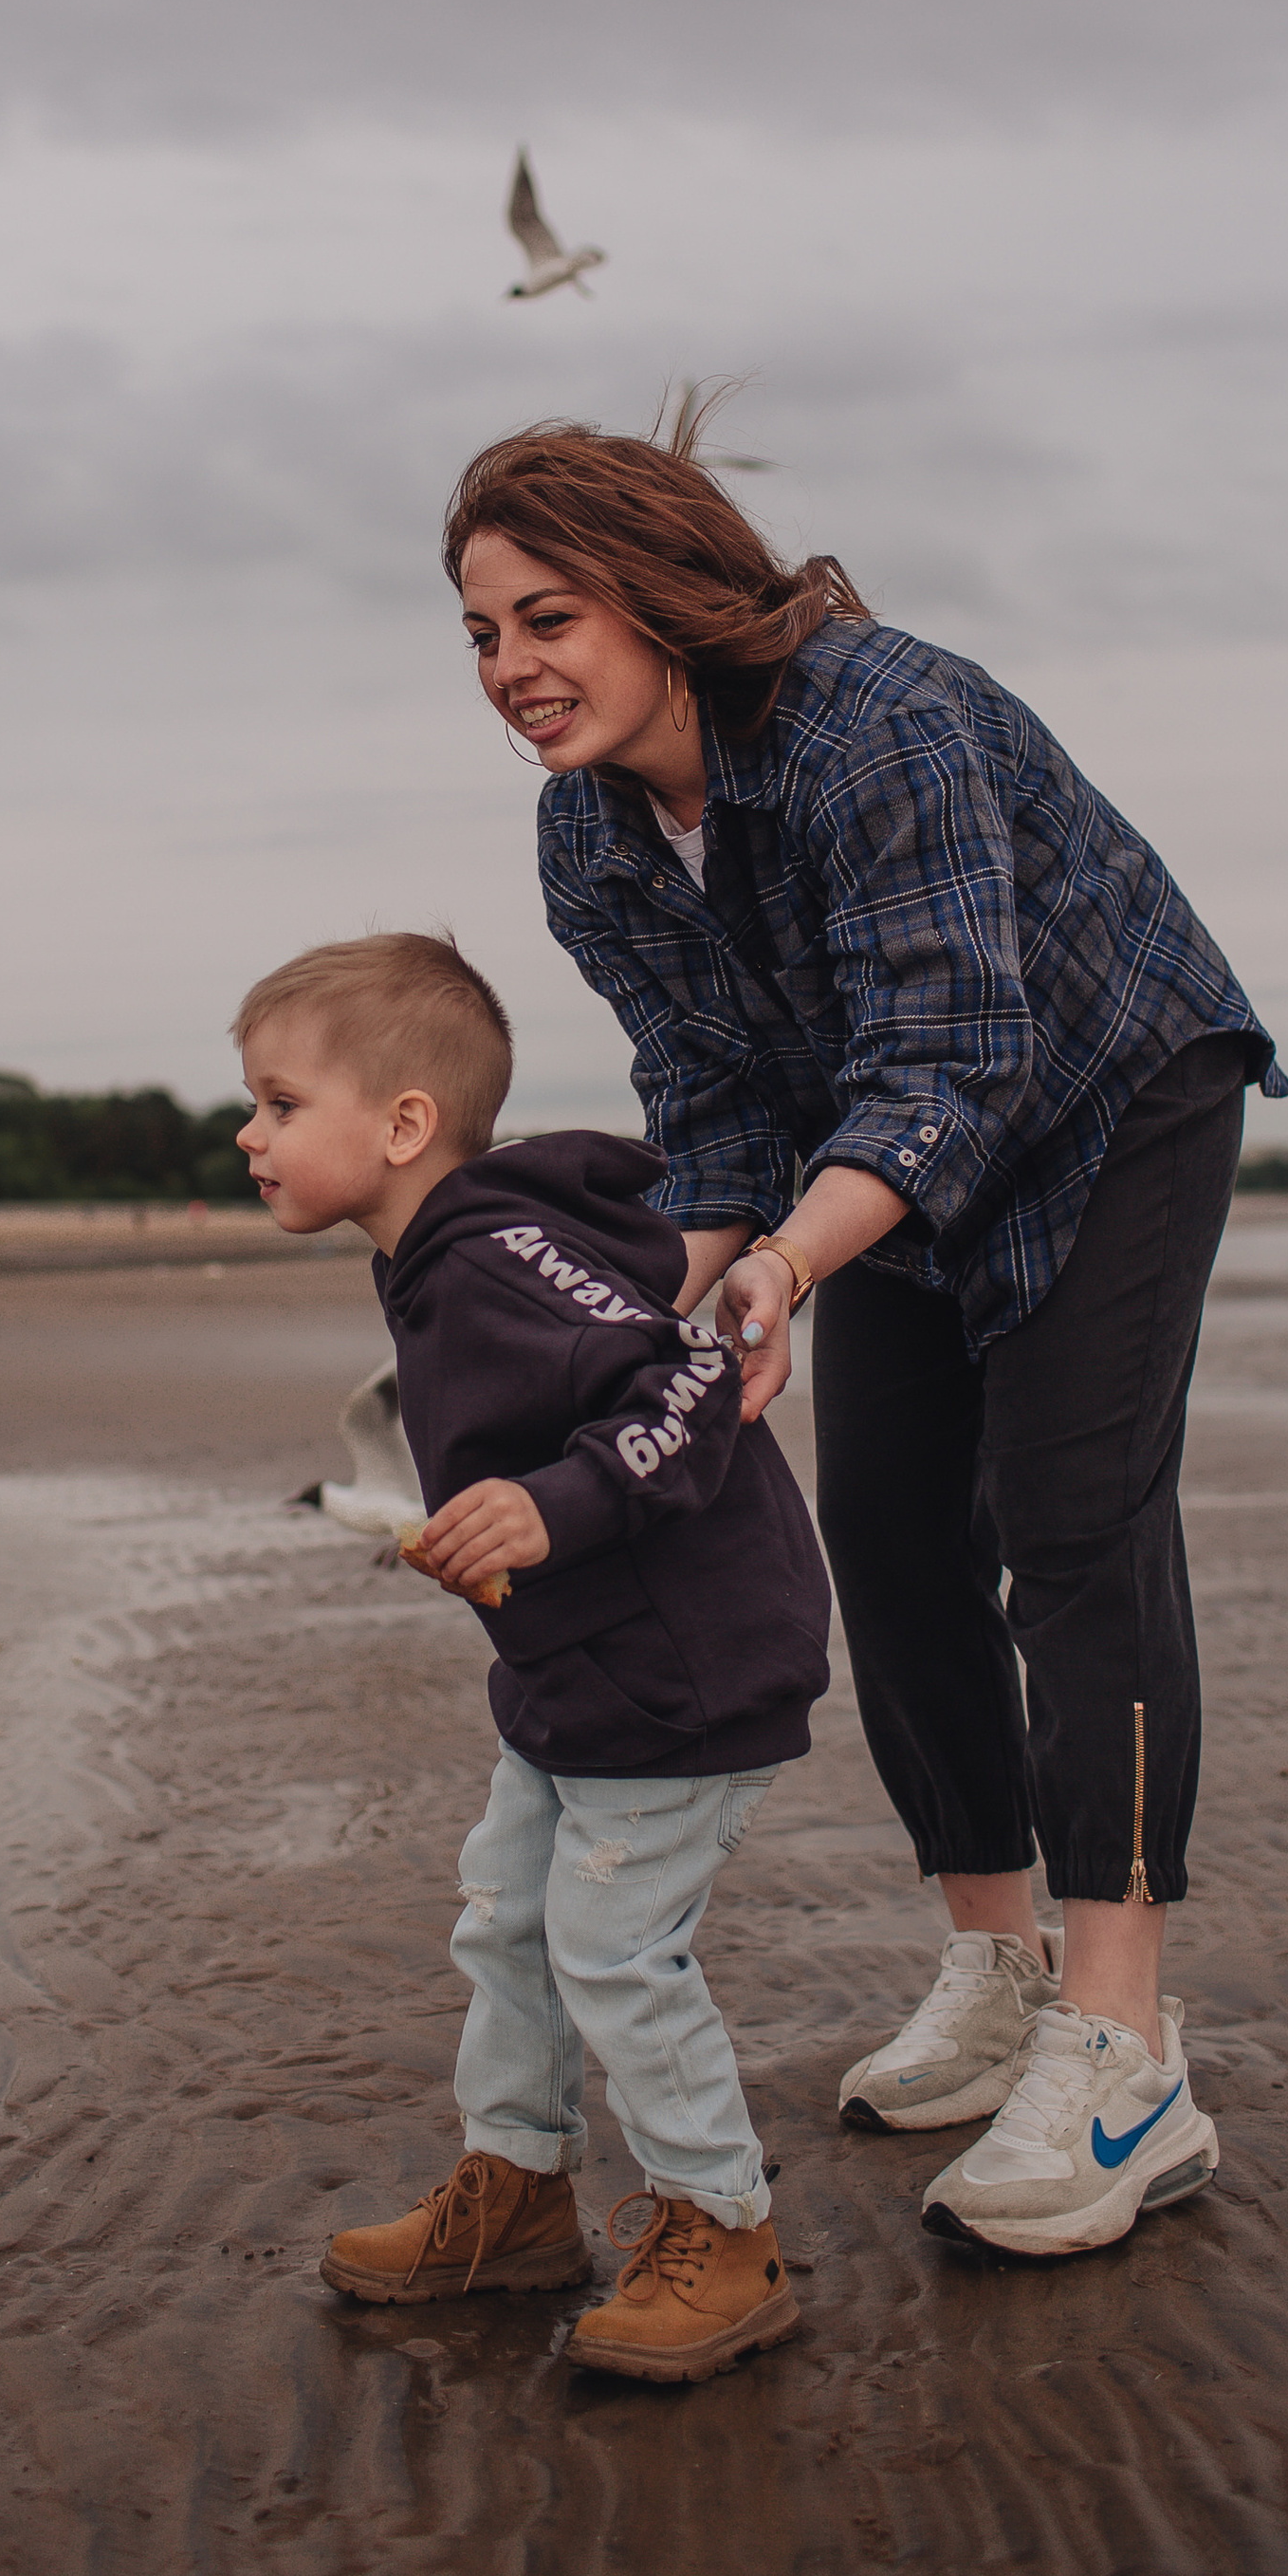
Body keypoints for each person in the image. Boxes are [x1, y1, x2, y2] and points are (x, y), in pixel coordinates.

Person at [442, 410, 1287, 2262]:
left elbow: (960, 1056)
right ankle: (995, 1967)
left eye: (547, 617)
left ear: (662, 592)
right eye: (482, 634)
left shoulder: (870, 720)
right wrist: (669, 1311)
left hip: (1106, 1094)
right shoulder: (585, 832)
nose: (510, 667)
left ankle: (1126, 2046)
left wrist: (792, 1263)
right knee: (893, 1539)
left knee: (1074, 1534)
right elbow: (716, 1093)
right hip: (878, 1148)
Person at [233, 929, 830, 2383]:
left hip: (685, 1664)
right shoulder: (438, 1260)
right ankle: (518, 2192)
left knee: (613, 1949)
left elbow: (691, 1382)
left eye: (277, 1103)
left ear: (403, 1126)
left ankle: (726, 2231)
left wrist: (549, 1506)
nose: (248, 1135)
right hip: (576, 1673)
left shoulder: (498, 1258)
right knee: (506, 1921)